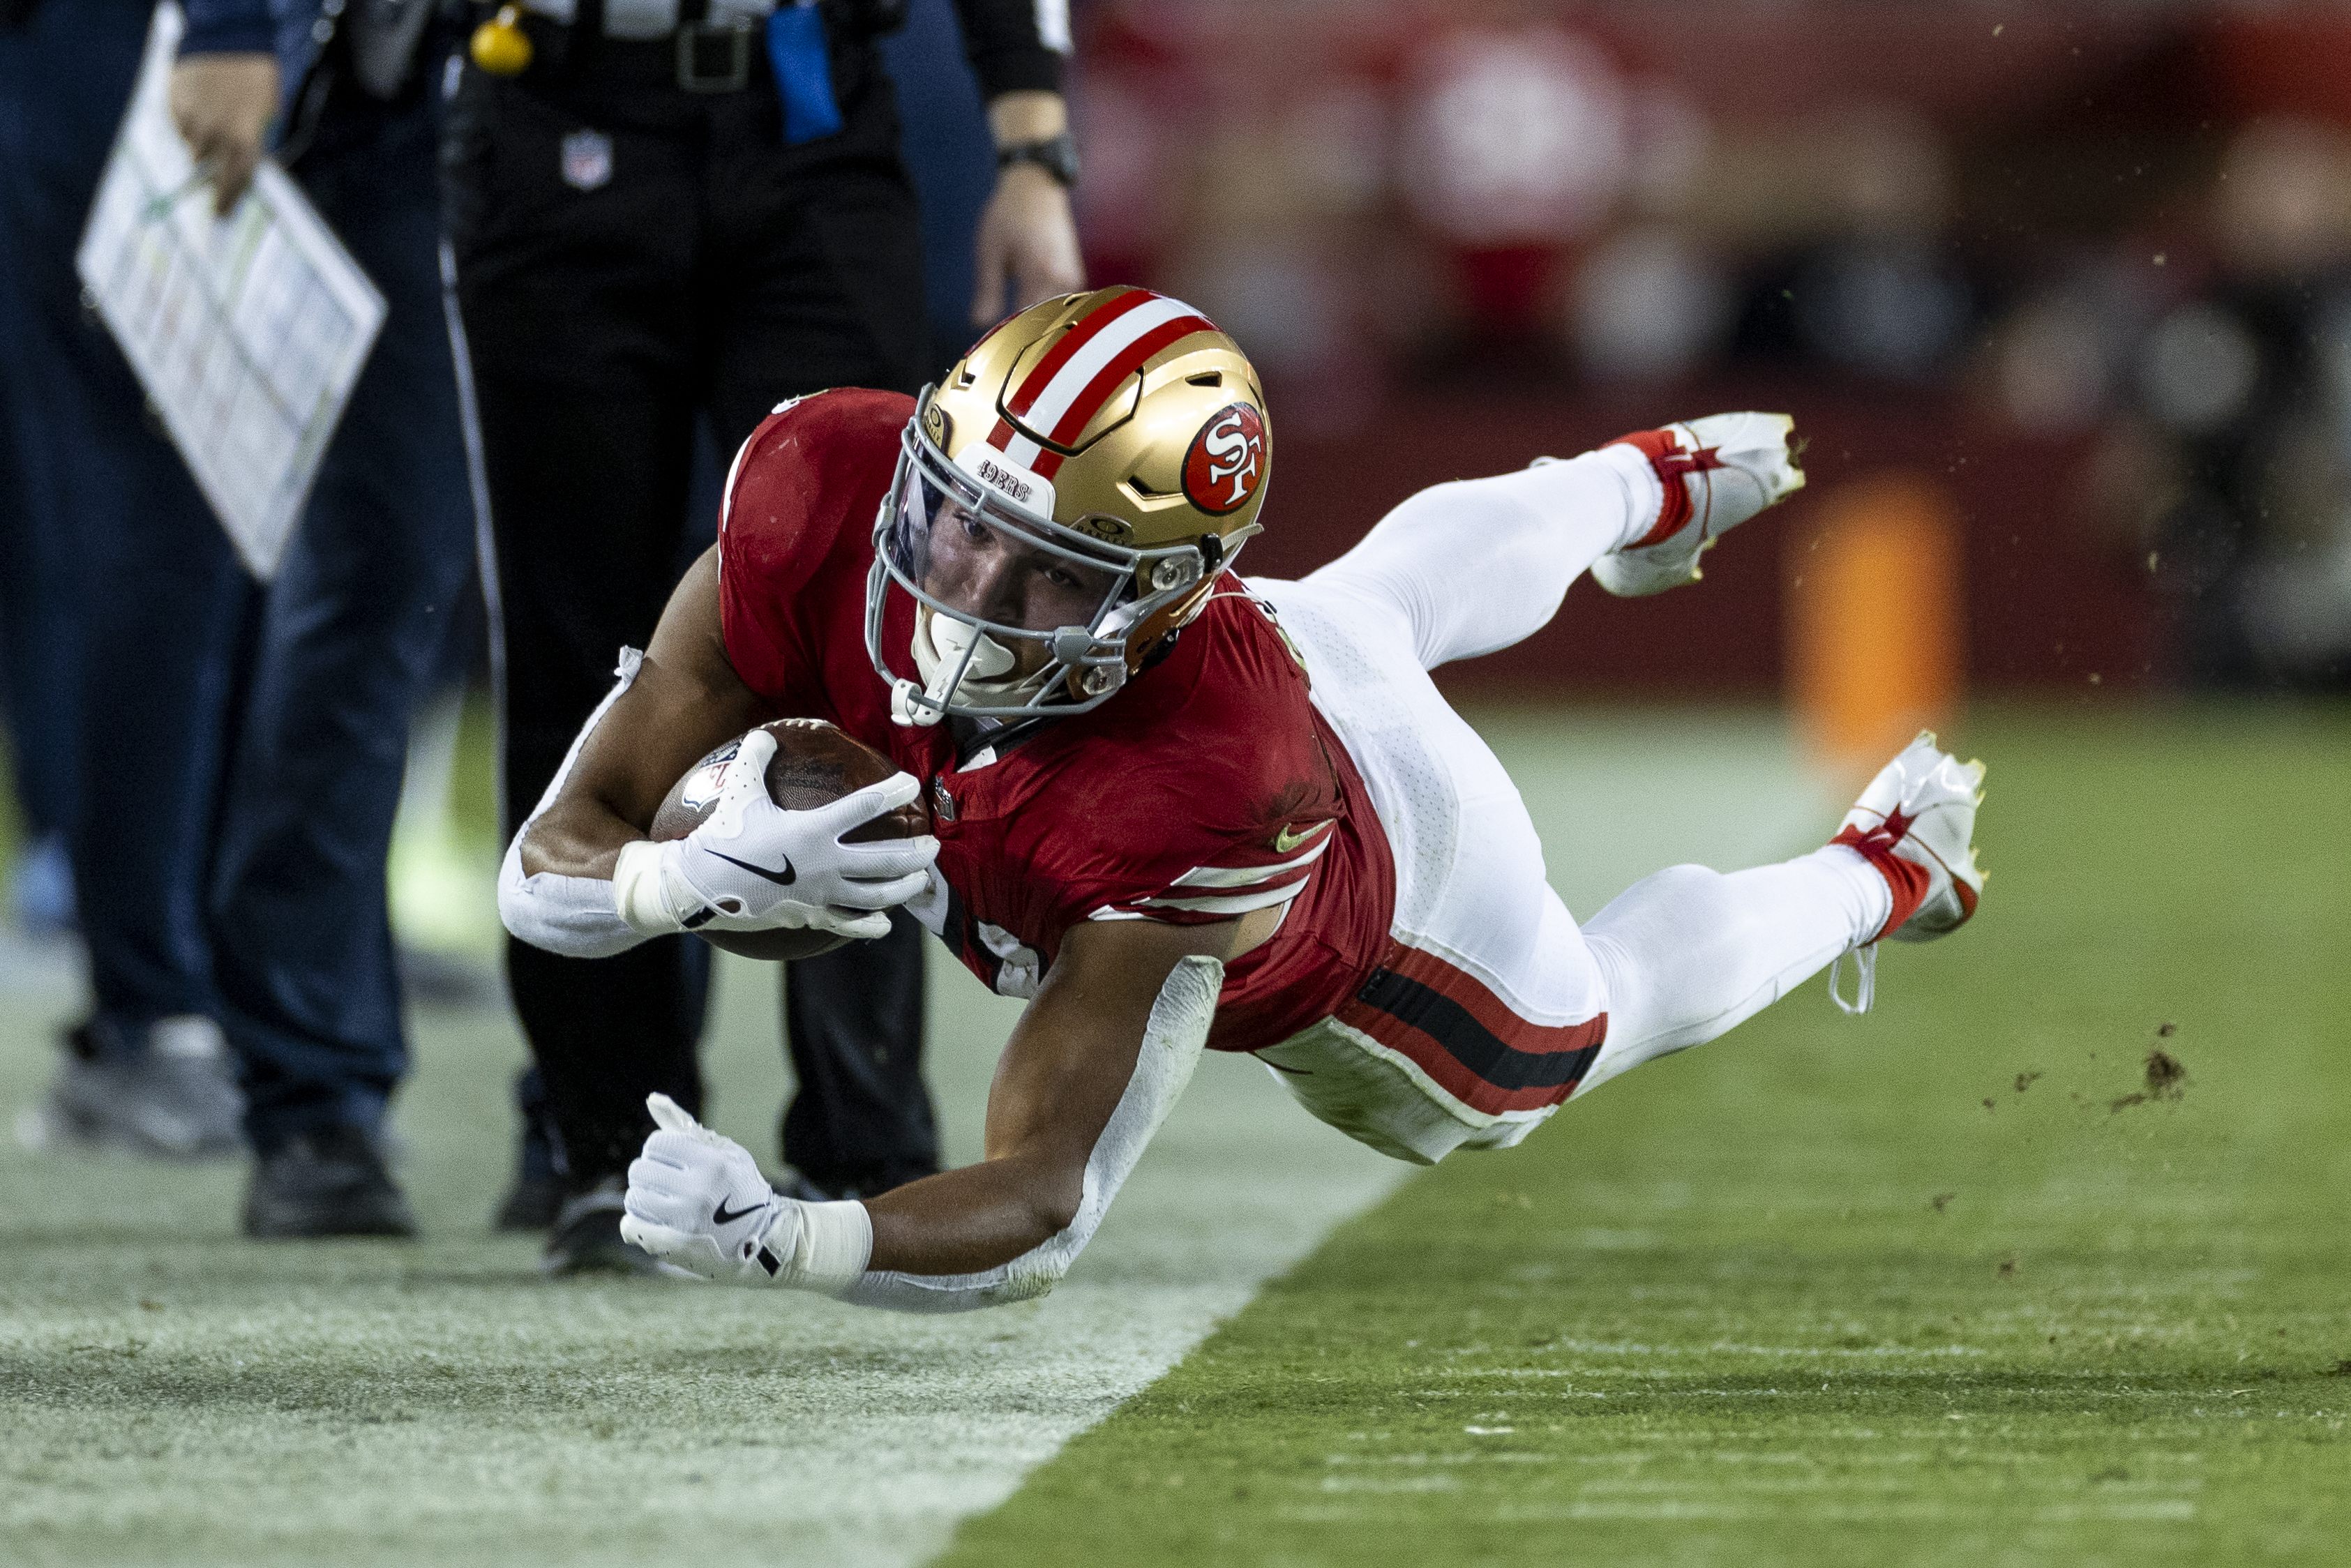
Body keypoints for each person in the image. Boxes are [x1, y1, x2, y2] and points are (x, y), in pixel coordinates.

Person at [495, 285, 1990, 1307]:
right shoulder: (817, 486)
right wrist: (669, 884)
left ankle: (1883, 866)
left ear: (1156, 595)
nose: (965, 595)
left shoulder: (1208, 776)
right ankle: (1640, 481)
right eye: (955, 524)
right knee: (1386, 590)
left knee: (1570, 1031)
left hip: (1394, 893)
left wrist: (789, 1237)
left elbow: (1044, 1202)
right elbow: (543, 861)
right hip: (1284, 648)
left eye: (1045, 575)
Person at [442, 0, 1088, 1272]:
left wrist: (1032, 147)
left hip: (810, 117)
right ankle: (603, 1138)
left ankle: (866, 1134)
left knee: (883, 624)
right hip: (556, 107)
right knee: (583, 647)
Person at [171, 0, 481, 1233]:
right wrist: (232, 22)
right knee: (369, 579)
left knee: (617, 598)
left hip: (647, 112)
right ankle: (313, 1099)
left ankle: (597, 1117)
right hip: (394, 108)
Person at [1, 0, 247, 1161]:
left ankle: (226, 984)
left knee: (223, 524)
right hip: (137, 55)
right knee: (154, 521)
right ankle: (160, 1003)